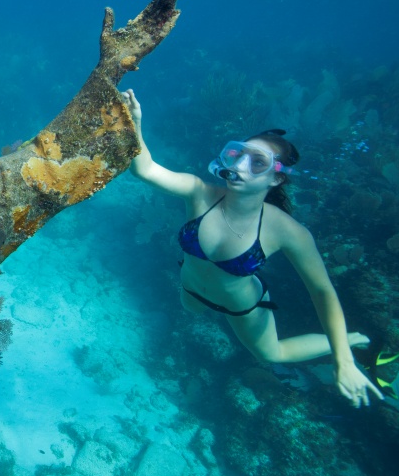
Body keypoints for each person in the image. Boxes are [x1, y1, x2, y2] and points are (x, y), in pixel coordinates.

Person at [124, 89, 383, 408]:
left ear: (276, 179)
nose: (242, 166)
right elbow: (144, 169)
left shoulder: (288, 231)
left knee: (270, 354)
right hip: (191, 291)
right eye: (237, 155)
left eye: (257, 162)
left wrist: (343, 361)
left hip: (243, 307)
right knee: (191, 310)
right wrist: (134, 123)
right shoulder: (199, 192)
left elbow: (322, 291)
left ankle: (347, 340)